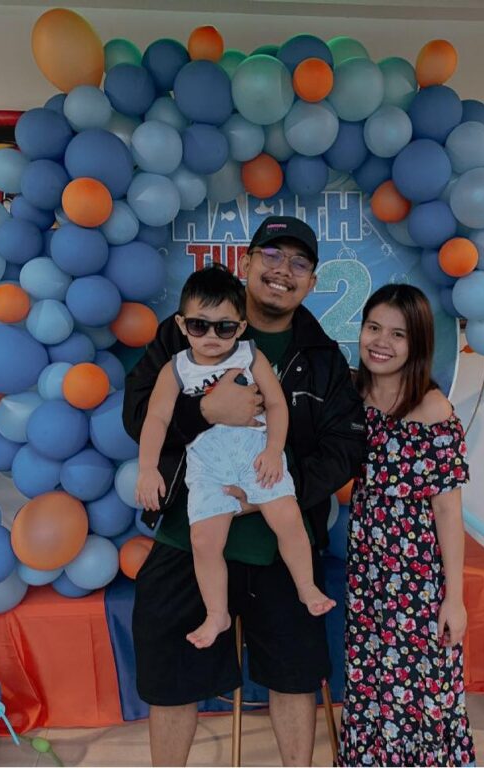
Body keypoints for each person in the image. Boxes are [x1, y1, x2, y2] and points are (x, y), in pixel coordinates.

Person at [123, 215, 366, 766]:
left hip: (279, 535)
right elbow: (139, 415)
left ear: (312, 280)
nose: (283, 270)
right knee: (172, 673)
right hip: (189, 531)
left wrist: (271, 490)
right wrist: (205, 411)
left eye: (298, 263)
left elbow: (346, 446)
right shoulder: (181, 333)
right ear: (247, 263)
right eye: (272, 256)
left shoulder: (322, 356)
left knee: (296, 672)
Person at [134, 265, 336, 650]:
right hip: (207, 469)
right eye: (199, 326)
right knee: (203, 541)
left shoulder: (250, 356)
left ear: (241, 327)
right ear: (181, 324)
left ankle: (306, 586)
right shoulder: (175, 369)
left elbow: (277, 405)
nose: (212, 336)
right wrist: (147, 469)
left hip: (256, 458)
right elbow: (155, 418)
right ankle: (217, 613)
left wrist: (274, 451)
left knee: (288, 519)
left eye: (224, 327)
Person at [338, 284, 475, 767]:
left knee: (423, 693)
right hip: (368, 577)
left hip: (419, 584)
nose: (382, 341)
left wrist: (454, 599)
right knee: (370, 685)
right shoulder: (351, 399)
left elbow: (449, 512)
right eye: (373, 327)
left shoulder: (433, 411)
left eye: (398, 334)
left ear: (417, 343)